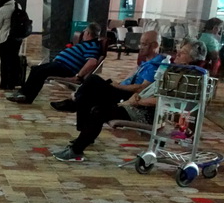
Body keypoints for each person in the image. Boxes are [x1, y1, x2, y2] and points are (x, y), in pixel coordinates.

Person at [50, 37, 207, 163]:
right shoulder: (176, 71)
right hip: (139, 103)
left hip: (148, 113)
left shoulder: (190, 78)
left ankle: (76, 150)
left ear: (191, 59)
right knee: (96, 102)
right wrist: (136, 97)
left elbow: (168, 103)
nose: (177, 54)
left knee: (99, 110)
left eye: (183, 53)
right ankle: (78, 144)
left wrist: (136, 101)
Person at [50, 30, 162, 115]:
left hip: (130, 96)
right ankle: (75, 103)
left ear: (155, 45)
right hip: (122, 89)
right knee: (89, 91)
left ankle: (74, 102)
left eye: (144, 44)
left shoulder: (155, 66)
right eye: (140, 44)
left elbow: (141, 88)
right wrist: (118, 84)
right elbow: (129, 79)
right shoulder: (145, 63)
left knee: (93, 80)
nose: (140, 47)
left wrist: (117, 86)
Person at [7, 22, 103, 104]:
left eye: (85, 31)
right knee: (36, 69)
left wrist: (78, 76)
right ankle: (23, 93)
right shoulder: (86, 44)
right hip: (61, 64)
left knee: (41, 72)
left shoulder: (93, 46)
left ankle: (27, 97)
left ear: (89, 33)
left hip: (66, 68)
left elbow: (92, 62)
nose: (83, 33)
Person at [0, 0, 25, 90]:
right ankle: (13, 83)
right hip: (17, 38)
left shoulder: (2, 10)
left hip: (5, 39)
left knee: (5, 62)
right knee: (14, 60)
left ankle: (4, 84)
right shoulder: (18, 5)